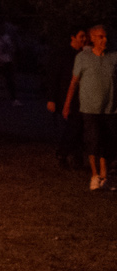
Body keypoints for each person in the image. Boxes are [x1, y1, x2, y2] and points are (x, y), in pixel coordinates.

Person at [65, 25, 116, 190]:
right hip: (89, 108)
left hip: (109, 108)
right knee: (93, 141)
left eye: (105, 36)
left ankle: (104, 176)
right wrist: (67, 104)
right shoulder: (82, 57)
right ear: (92, 38)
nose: (104, 39)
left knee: (107, 142)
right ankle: (95, 176)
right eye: (100, 37)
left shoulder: (113, 57)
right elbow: (74, 82)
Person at [48, 28, 88, 170]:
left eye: (85, 36)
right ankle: (63, 153)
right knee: (73, 126)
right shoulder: (63, 55)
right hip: (66, 96)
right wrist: (51, 99)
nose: (84, 39)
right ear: (73, 37)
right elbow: (53, 77)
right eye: (81, 36)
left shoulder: (85, 54)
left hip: (82, 96)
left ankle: (76, 157)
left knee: (79, 126)